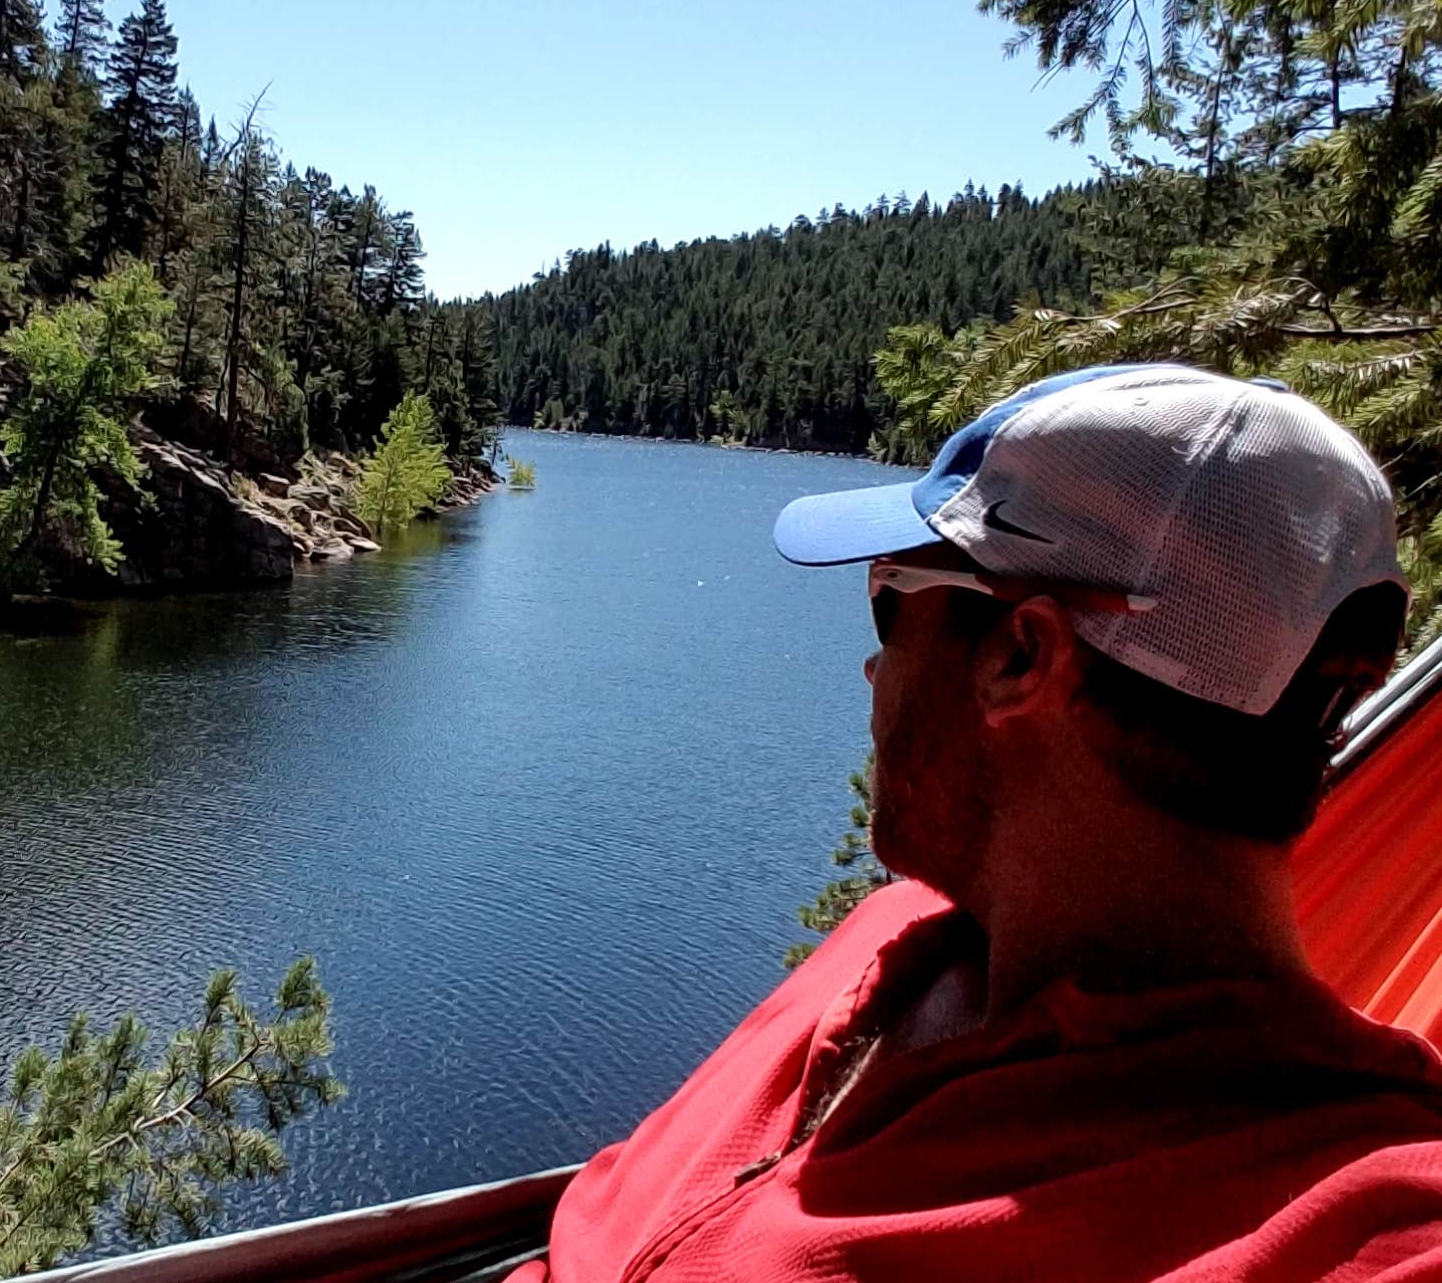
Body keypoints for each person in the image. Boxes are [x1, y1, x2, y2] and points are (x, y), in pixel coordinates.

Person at [511, 363, 1442, 1281]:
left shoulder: (1367, 1219)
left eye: (888, 599)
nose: (871, 673)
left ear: (1019, 657)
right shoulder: (895, 932)